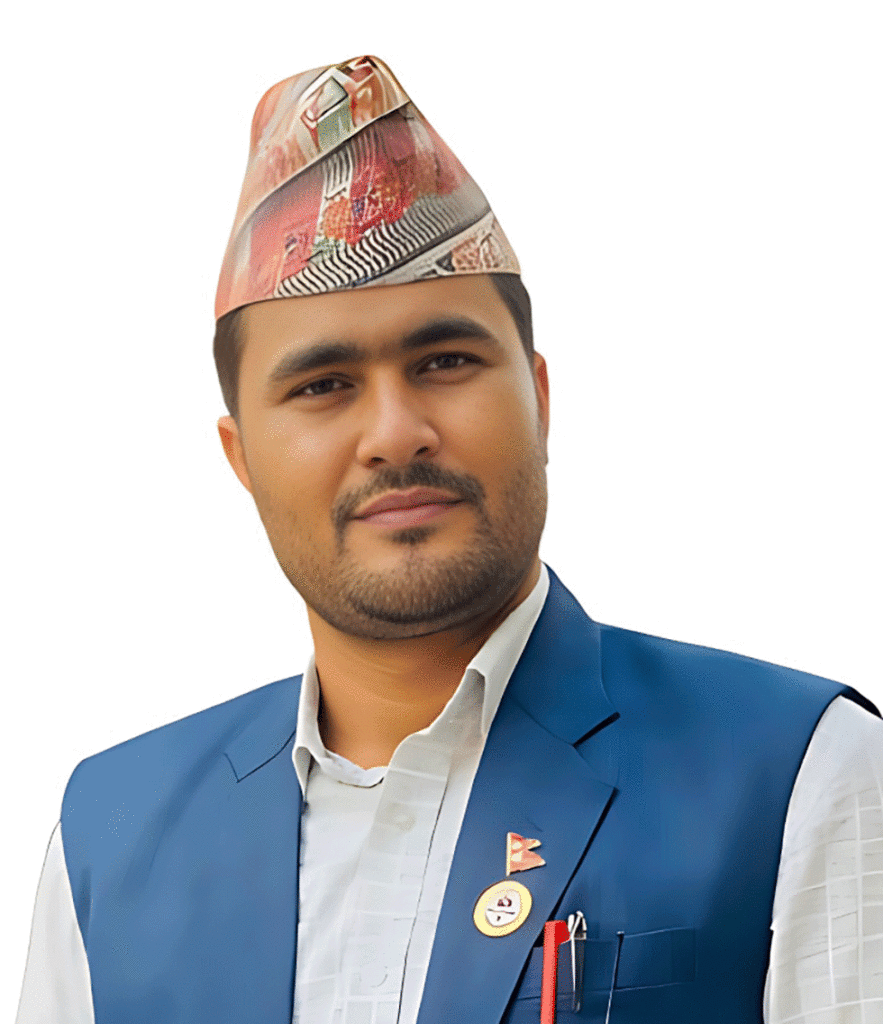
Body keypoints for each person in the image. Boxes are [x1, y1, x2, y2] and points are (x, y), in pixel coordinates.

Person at [16, 54, 883, 1024]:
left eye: (444, 360)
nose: (395, 432)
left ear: (539, 399)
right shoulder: (110, 838)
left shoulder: (793, 774)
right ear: (242, 455)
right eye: (322, 385)